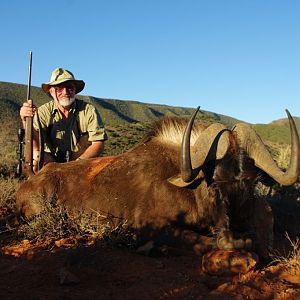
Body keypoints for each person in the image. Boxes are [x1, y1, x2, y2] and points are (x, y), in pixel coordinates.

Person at [20, 68, 107, 173]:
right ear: (51, 91)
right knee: (36, 160)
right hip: (51, 163)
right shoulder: (43, 112)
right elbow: (35, 147)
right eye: (59, 88)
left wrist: (77, 164)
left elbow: (98, 143)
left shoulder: (89, 110)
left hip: (82, 163)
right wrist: (25, 121)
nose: (65, 92)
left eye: (69, 87)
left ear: (75, 90)